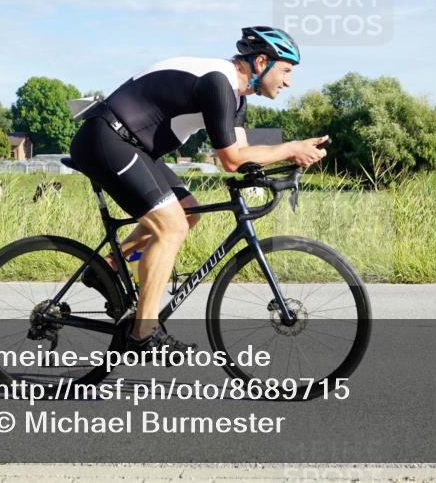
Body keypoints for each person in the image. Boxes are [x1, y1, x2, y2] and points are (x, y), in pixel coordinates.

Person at [67, 26, 328, 355]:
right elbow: (232, 160)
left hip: (132, 147)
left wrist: (283, 170)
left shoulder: (237, 97)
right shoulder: (218, 83)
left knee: (187, 212)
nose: (289, 82)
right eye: (286, 71)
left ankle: (106, 268)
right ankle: (143, 333)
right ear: (262, 61)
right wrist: (290, 148)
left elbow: (242, 158)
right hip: (106, 140)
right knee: (171, 225)